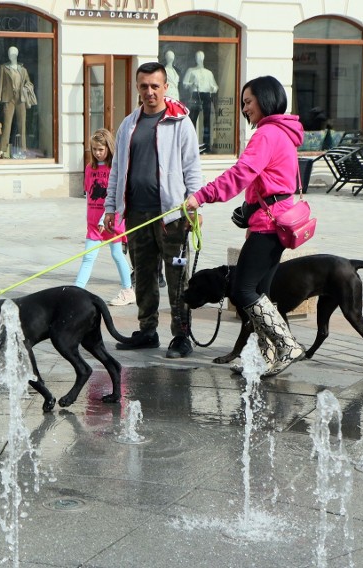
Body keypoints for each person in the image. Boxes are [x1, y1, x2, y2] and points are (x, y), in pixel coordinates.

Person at [185, 75, 305, 377]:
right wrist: (248, 209)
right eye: (243, 103)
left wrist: (202, 195)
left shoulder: (266, 134)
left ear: (266, 100)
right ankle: (263, 357)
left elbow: (242, 172)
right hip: (274, 221)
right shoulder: (283, 133)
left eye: (248, 102)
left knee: (243, 289)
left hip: (269, 224)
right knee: (261, 289)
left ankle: (286, 345)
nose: (244, 108)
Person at [103, 61, 202, 359]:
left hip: (171, 217)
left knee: (177, 279)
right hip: (136, 214)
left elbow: (192, 168)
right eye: (144, 86)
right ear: (137, 87)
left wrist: (194, 203)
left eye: (155, 86)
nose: (149, 92)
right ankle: (147, 330)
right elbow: (117, 170)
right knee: (143, 276)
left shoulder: (180, 123)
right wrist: (111, 208)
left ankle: (181, 335)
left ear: (165, 87)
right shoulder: (128, 124)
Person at [74, 128, 134, 306]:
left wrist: (103, 219)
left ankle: (127, 289)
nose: (97, 153)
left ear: (109, 147)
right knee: (88, 257)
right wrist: (92, 219)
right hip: (93, 224)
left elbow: (116, 196)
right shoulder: (89, 168)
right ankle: (77, 291)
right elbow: (88, 194)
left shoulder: (114, 169)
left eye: (101, 149)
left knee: (117, 254)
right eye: (94, 149)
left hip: (111, 222)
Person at [0, 46, 34, 159]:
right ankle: (3, 150)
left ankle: (23, 150)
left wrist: (26, 88)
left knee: (22, 125)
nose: (10, 55)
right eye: (9, 53)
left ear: (16, 55)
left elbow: (29, 83)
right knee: (7, 125)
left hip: (20, 98)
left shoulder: (23, 69)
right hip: (8, 98)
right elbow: (0, 84)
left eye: (12, 54)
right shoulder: (4, 68)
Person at [182, 51, 218, 152]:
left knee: (207, 121)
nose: (200, 58)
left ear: (203, 58)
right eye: (198, 56)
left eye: (201, 56)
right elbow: (184, 84)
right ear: (195, 58)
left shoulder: (208, 72)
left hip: (206, 95)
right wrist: (192, 84)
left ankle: (206, 145)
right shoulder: (191, 71)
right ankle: (191, 145)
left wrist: (213, 88)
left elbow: (215, 86)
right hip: (195, 95)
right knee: (192, 119)